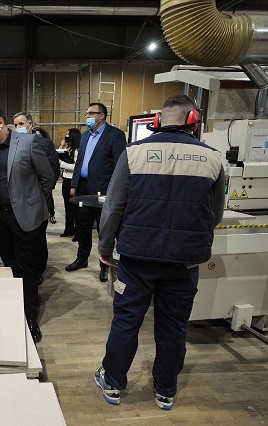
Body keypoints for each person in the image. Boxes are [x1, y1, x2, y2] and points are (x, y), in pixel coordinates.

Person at [94, 94, 225, 410]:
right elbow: (216, 214)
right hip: (184, 262)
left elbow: (113, 208)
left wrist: (105, 246)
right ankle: (165, 390)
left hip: (137, 258)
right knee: (174, 327)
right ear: (193, 120)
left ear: (157, 120)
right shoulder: (213, 159)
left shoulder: (134, 153)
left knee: (127, 321)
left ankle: (113, 383)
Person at [0, 106, 54, 342]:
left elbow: (47, 177)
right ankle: (14, 307)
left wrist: (32, 203)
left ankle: (30, 316)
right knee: (10, 265)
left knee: (27, 268)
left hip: (24, 216)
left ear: (0, 122)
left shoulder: (28, 142)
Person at [66, 102, 126, 284]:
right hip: (83, 188)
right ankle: (82, 258)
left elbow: (120, 165)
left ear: (101, 116)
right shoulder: (85, 136)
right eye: (86, 113)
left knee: (104, 228)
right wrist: (74, 184)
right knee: (83, 226)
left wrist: (115, 191)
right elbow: (79, 162)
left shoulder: (115, 135)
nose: (87, 117)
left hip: (104, 190)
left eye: (91, 113)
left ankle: (105, 265)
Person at [12, 112, 59, 284]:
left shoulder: (44, 143)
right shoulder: (15, 144)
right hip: (21, 201)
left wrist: (39, 196)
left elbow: (51, 173)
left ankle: (39, 270)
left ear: (30, 124)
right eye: (15, 125)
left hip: (39, 199)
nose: (18, 128)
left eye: (21, 124)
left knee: (38, 239)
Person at [59, 128, 81, 238]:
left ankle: (77, 231)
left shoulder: (77, 150)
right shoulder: (68, 148)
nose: (66, 136)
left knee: (75, 208)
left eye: (68, 134)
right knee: (67, 207)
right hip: (66, 179)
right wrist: (62, 146)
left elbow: (77, 167)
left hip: (73, 180)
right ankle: (69, 229)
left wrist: (62, 164)